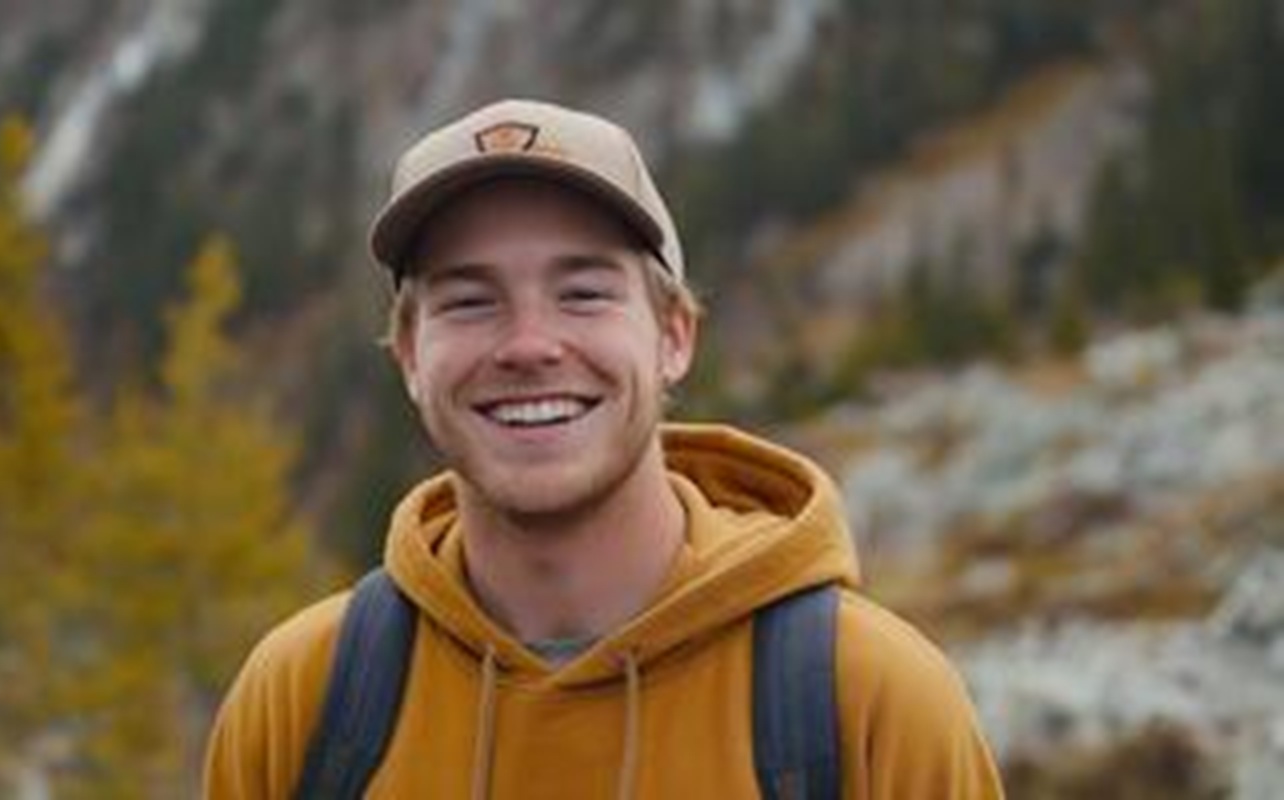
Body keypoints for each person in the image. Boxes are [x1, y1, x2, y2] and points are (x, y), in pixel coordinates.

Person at [203, 98, 1004, 799]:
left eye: (583, 293)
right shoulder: (305, 701)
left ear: (674, 337)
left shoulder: (868, 702)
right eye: (471, 300)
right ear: (410, 354)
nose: (528, 344)